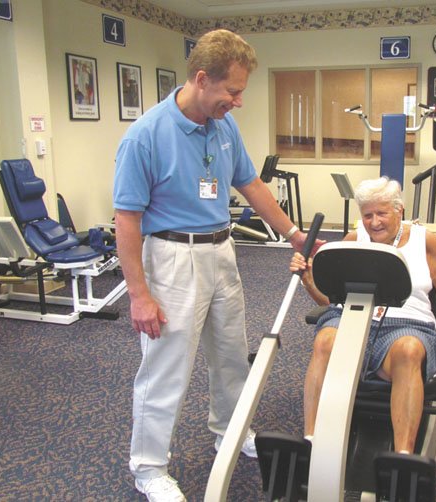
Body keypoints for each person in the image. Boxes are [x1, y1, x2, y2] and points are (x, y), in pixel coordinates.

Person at [113, 29, 313, 502]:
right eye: (234, 91)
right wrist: (139, 295)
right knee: (166, 368)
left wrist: (294, 234)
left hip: (222, 251)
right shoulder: (145, 135)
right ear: (202, 79)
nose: (239, 101)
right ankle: (148, 467)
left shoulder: (223, 126)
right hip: (171, 257)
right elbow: (126, 220)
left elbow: (252, 185)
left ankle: (230, 430)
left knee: (230, 356)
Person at [290, 177, 436, 455]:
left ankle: (402, 458)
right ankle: (311, 441)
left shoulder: (423, 240)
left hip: (408, 324)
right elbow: (332, 300)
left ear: (399, 210)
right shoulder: (353, 240)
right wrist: (308, 279)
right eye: (367, 215)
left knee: (409, 350)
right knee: (325, 340)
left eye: (382, 213)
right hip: (353, 320)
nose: (374, 222)